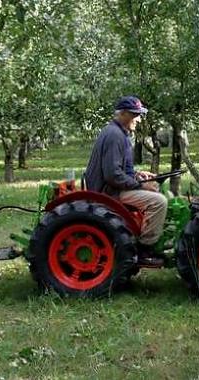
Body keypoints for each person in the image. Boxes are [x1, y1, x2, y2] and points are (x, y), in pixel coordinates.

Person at [83, 96, 168, 267]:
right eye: (134, 114)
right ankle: (145, 249)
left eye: (139, 115)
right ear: (122, 114)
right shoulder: (115, 135)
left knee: (156, 188)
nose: (138, 119)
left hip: (112, 187)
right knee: (159, 201)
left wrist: (137, 174)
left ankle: (148, 233)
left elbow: (119, 169)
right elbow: (112, 175)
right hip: (108, 192)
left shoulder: (118, 133)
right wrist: (140, 184)